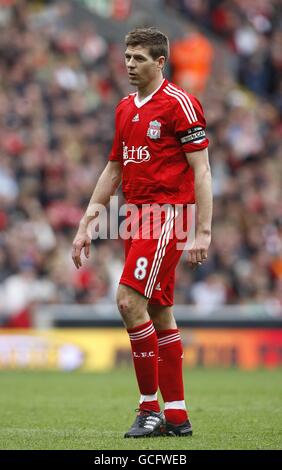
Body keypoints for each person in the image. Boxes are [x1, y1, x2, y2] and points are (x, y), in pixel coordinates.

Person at [72, 27, 212, 438]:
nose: (129, 64)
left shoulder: (181, 105)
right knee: (157, 311)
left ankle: (149, 408)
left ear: (160, 62)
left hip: (168, 215)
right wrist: (87, 222)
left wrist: (202, 230)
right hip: (134, 217)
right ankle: (178, 415)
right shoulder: (123, 108)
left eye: (138, 58)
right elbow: (114, 168)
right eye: (127, 57)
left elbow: (201, 170)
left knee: (128, 301)